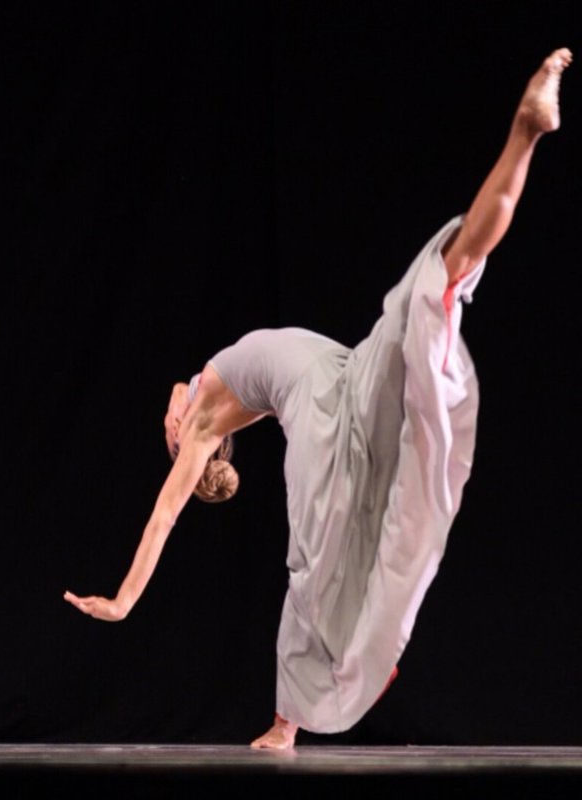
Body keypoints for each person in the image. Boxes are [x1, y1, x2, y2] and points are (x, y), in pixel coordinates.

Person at [64, 48, 572, 749]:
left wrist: (177, 393)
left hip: (352, 371)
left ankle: (526, 131)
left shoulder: (202, 390)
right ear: (193, 444)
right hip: (322, 405)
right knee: (311, 563)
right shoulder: (207, 425)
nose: (170, 423)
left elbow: (174, 388)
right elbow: (161, 521)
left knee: (435, 284)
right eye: (172, 437)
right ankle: (290, 722)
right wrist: (123, 600)